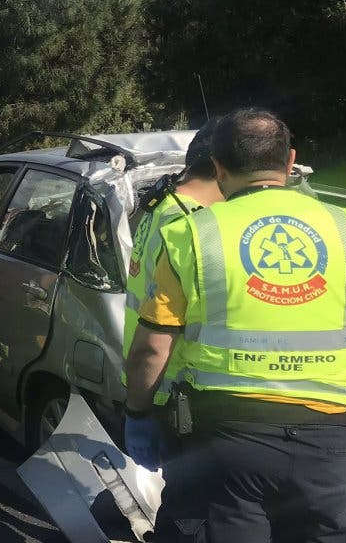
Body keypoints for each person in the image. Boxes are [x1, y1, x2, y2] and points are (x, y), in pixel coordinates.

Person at [125, 108, 346, 543]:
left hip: (222, 439)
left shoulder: (190, 234)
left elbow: (153, 347)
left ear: (218, 167)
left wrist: (138, 413)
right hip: (333, 439)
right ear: (291, 159)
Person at [120, 118, 223, 467]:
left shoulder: (163, 205)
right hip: (179, 385)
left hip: (153, 383)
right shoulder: (192, 225)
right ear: (224, 169)